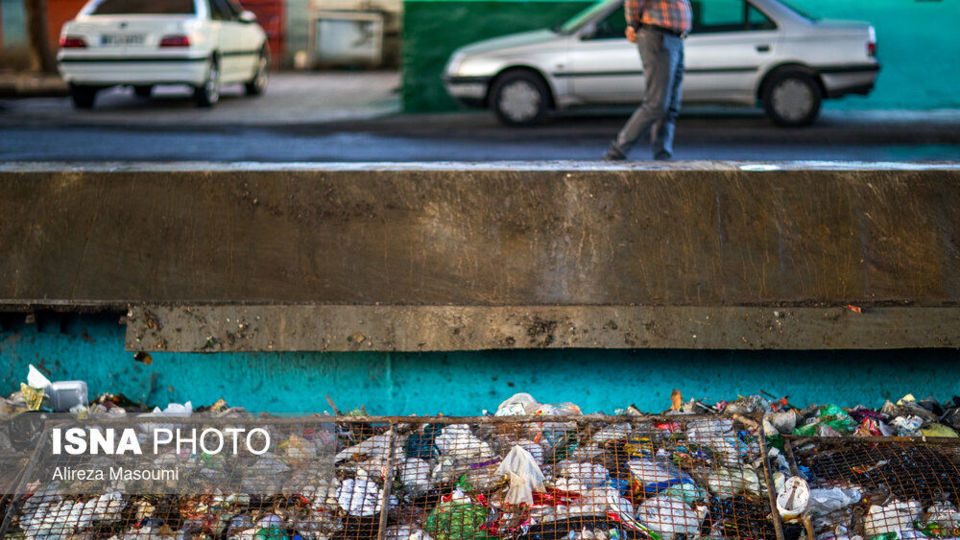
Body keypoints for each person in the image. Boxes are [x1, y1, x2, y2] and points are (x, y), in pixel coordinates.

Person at [603, 0, 692, 161]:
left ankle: (662, 156)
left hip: (675, 38)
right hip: (658, 35)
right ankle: (616, 152)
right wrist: (633, 24)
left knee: (671, 105)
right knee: (656, 104)